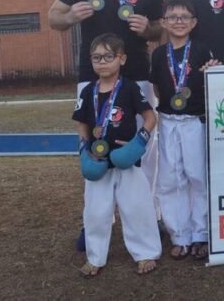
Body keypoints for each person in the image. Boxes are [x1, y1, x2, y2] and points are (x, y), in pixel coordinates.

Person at [48, 0, 163, 250]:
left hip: (138, 73)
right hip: (93, 77)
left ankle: (149, 217)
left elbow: (161, 28)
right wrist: (70, 17)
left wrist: (149, 29)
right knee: (96, 148)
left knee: (145, 151)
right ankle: (96, 222)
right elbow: (54, 17)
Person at [73, 33, 161, 277]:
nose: (102, 62)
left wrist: (138, 143)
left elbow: (150, 117)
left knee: (137, 208)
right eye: (96, 57)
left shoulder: (130, 88)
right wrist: (83, 150)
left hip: (126, 160)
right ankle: (95, 257)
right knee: (95, 212)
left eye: (108, 56)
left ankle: (145, 254)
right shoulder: (88, 91)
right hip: (98, 161)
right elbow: (81, 123)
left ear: (121, 59)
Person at [150, 0, 220, 261]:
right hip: (168, 121)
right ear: (163, 23)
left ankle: (201, 232)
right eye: (173, 17)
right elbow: (157, 88)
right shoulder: (158, 55)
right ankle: (179, 234)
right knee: (170, 178)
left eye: (184, 17)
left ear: (194, 23)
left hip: (194, 121)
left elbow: (212, 81)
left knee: (197, 176)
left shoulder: (202, 50)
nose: (178, 21)